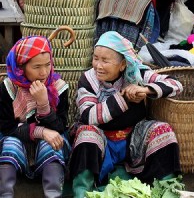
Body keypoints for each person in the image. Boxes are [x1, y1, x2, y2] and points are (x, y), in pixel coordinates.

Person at [69, 31, 183, 198]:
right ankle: (83, 193)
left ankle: (167, 191)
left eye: (105, 60)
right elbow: (88, 115)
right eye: (96, 58)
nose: (98, 65)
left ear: (122, 65)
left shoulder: (137, 73)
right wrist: (124, 99)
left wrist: (145, 89)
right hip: (102, 143)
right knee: (87, 133)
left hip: (132, 140)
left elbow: (176, 84)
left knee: (163, 130)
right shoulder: (88, 79)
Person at [0, 36, 70, 197]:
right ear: (21, 67)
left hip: (47, 142)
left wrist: (44, 104)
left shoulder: (58, 87)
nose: (44, 72)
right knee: (10, 144)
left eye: (48, 65)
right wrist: (41, 131)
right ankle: (5, 194)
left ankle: (53, 194)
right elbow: (7, 128)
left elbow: (60, 126)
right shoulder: (9, 87)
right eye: (36, 66)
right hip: (18, 140)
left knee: (53, 144)